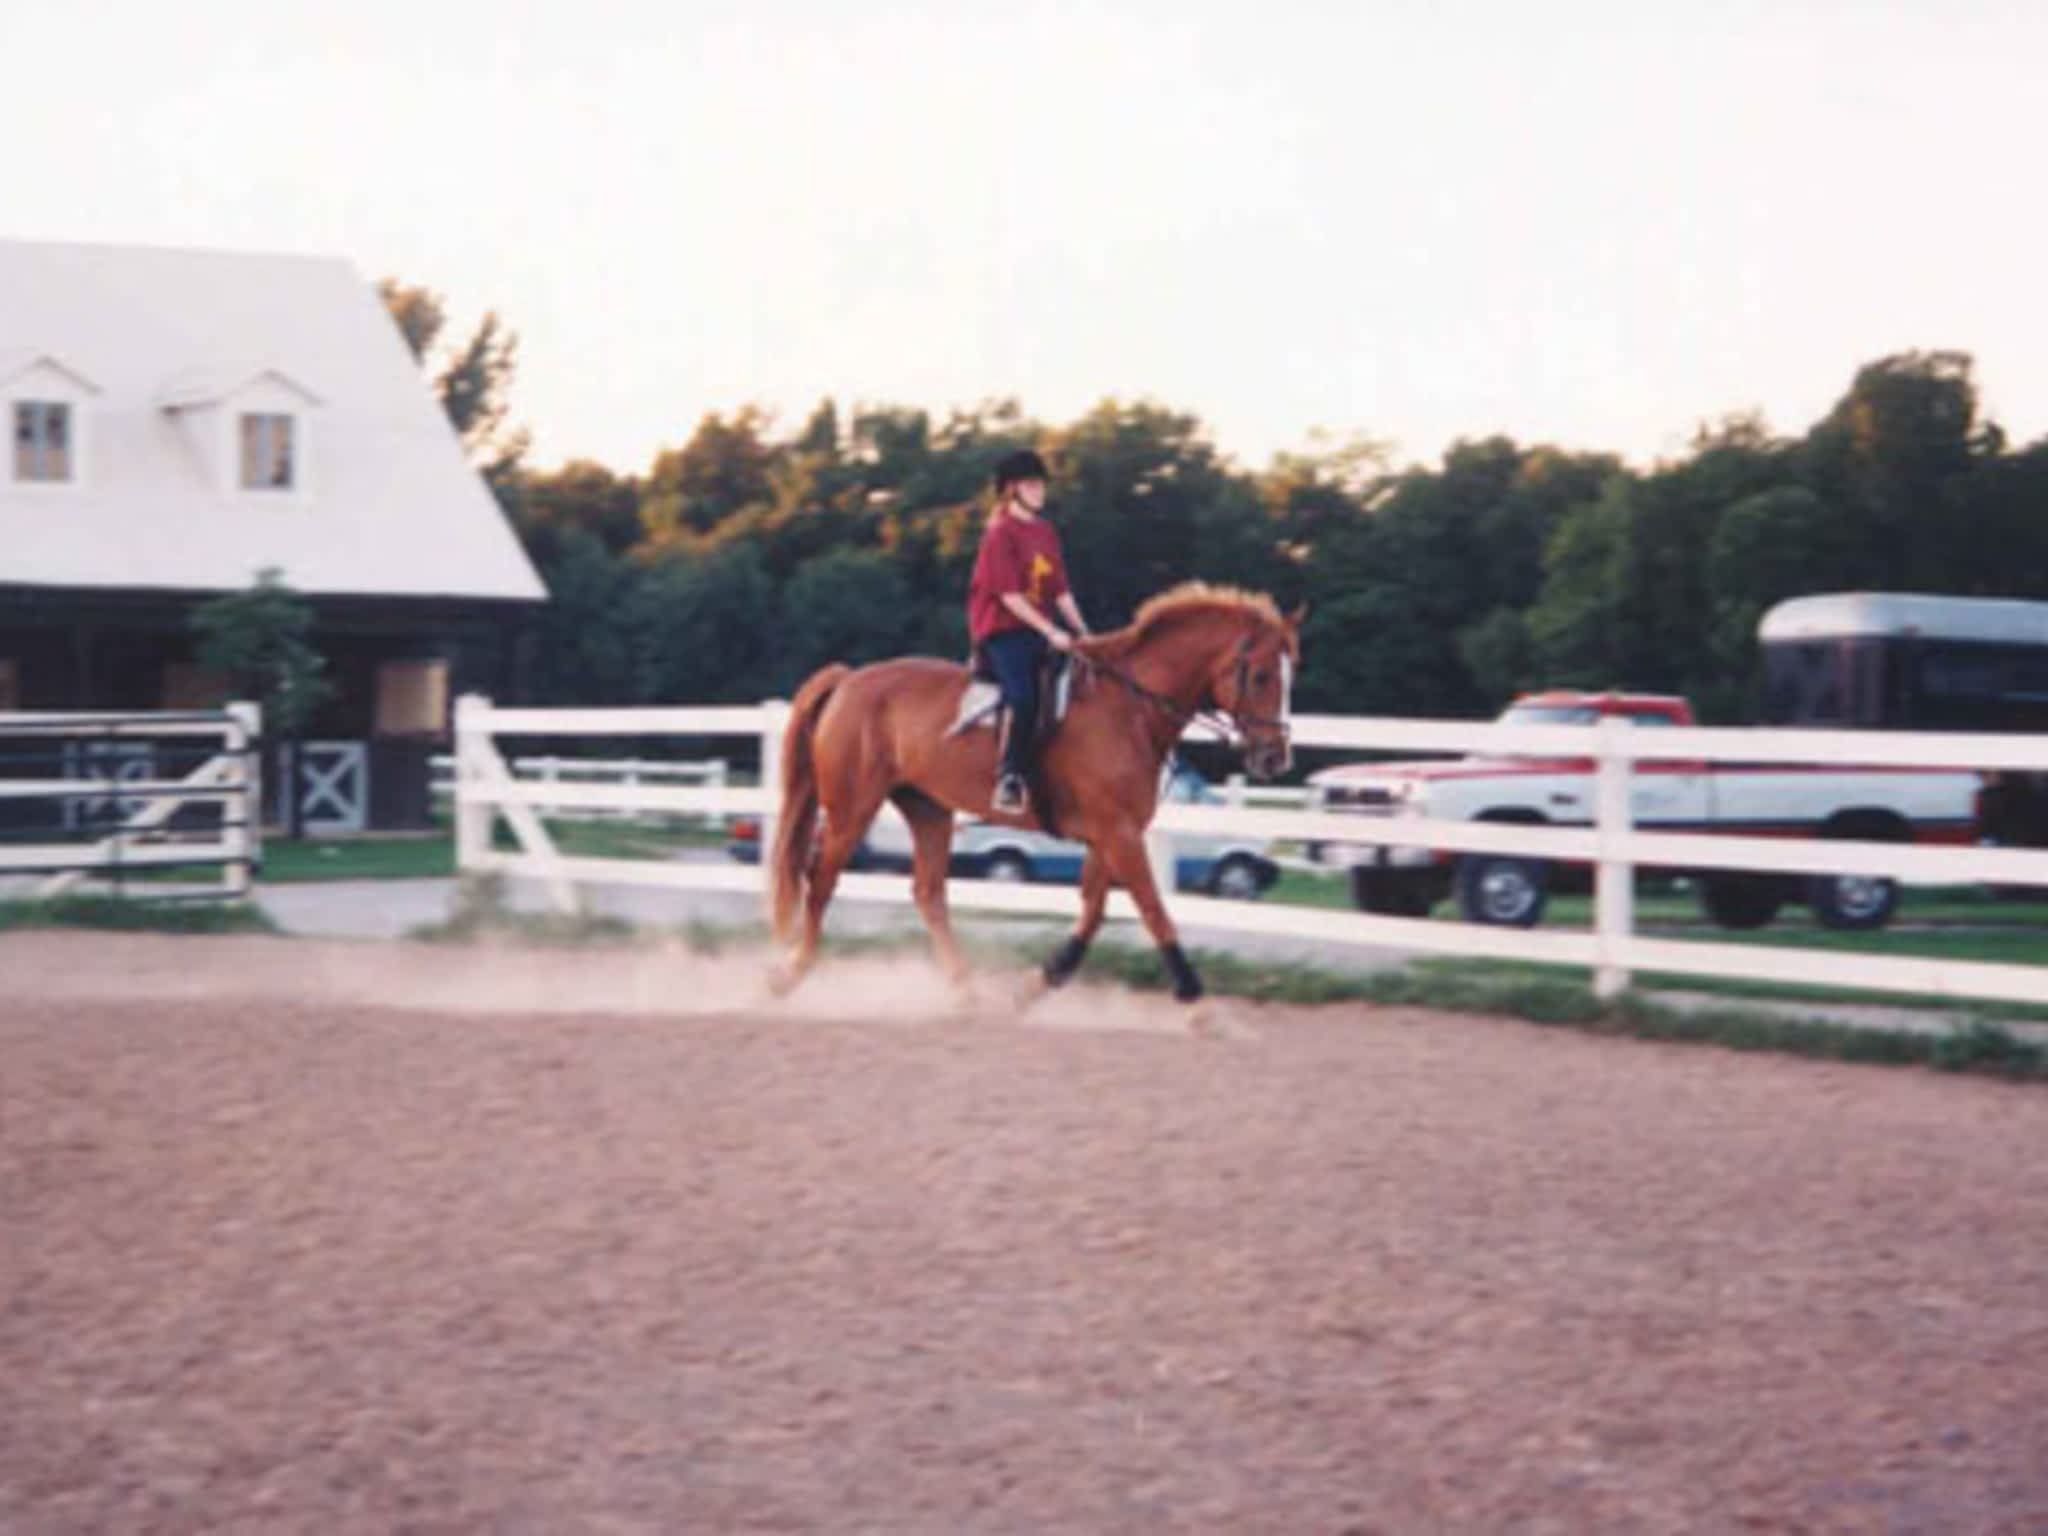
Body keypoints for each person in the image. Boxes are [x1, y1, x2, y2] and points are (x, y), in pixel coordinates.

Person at [966, 448, 1089, 813]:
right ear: (1011, 490)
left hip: (1039, 629)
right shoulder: (1000, 535)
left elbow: (1061, 590)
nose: (1040, 491)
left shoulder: (1045, 532)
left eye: (1041, 485)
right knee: (1024, 697)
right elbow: (1008, 597)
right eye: (1032, 485)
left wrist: (1085, 633)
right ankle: (1009, 776)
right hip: (1003, 631)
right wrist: (1051, 631)